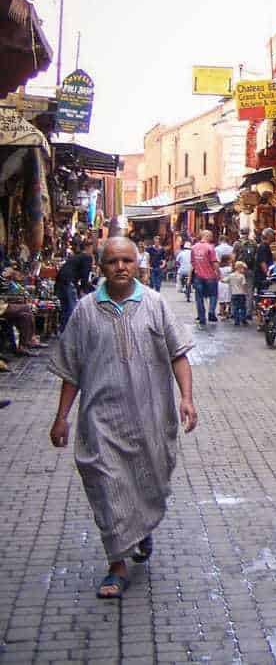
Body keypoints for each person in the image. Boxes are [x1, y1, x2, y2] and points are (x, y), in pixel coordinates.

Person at [47, 236, 197, 599]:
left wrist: (187, 398)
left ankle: (141, 528)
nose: (120, 267)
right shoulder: (85, 310)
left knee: (149, 481)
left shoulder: (155, 304)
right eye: (113, 261)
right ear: (101, 266)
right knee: (105, 484)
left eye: (127, 260)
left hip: (150, 416)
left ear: (138, 264)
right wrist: (61, 417)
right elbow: (72, 369)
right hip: (101, 418)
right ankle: (116, 564)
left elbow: (178, 353)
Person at [55, 240, 95, 325]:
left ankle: (63, 331)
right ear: (88, 247)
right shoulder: (87, 257)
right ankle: (69, 333)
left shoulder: (77, 256)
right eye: (92, 248)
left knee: (65, 308)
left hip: (61, 281)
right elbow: (85, 274)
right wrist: (84, 290)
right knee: (72, 310)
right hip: (69, 282)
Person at [190, 230, 220, 325]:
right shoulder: (210, 248)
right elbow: (214, 262)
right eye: (210, 236)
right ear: (206, 236)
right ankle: (211, 310)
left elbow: (192, 262)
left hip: (198, 276)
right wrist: (218, 273)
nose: (211, 238)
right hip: (210, 276)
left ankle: (202, 318)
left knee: (199, 297)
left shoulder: (194, 247)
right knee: (213, 295)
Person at [224, 262, 250, 326]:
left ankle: (236, 321)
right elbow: (244, 285)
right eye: (243, 268)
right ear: (240, 268)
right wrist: (246, 292)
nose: (244, 270)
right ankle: (243, 319)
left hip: (234, 294)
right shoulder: (242, 276)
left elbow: (224, 280)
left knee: (235, 307)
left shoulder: (231, 275)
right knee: (243, 307)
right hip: (241, 294)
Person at [254, 228, 276, 292]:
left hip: (262, 275)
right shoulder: (263, 247)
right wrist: (267, 274)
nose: (274, 237)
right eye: (273, 235)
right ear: (269, 236)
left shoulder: (265, 246)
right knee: (264, 293)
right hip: (261, 276)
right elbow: (262, 262)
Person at [217, 255, 233, 319]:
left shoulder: (219, 268)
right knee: (228, 299)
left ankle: (222, 313)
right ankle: (227, 311)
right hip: (227, 284)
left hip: (220, 284)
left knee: (221, 301)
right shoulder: (229, 268)